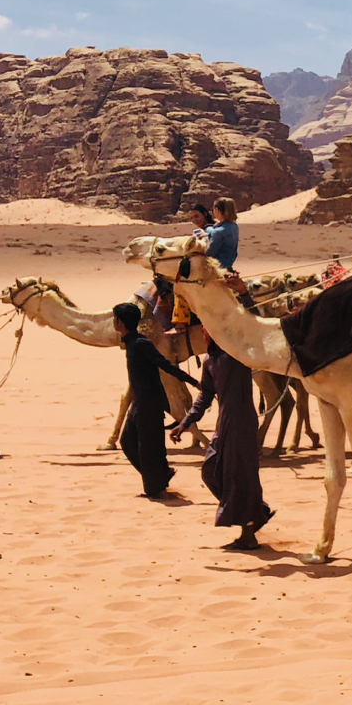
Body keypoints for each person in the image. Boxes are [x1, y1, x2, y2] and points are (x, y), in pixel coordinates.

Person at [173, 338, 274, 550]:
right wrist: (186, 422)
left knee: (243, 476)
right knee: (210, 470)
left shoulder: (237, 354)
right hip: (224, 423)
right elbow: (206, 395)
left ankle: (248, 534)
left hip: (241, 421)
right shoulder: (210, 360)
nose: (205, 331)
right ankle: (256, 512)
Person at [114, 301, 201, 498]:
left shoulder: (140, 343)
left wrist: (193, 381)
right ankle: (161, 475)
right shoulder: (131, 342)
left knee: (149, 448)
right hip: (139, 403)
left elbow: (165, 364)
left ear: (120, 323)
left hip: (149, 404)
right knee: (127, 442)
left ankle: (156, 488)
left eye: (115, 319)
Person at [201, 197, 240, 271]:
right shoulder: (234, 226)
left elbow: (209, 253)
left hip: (218, 268)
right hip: (229, 264)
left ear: (217, 210)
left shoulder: (218, 232)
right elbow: (213, 231)